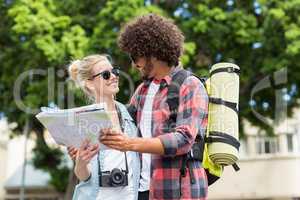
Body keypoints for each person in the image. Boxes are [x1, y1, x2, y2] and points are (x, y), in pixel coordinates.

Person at [100, 14, 209, 200]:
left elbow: (183, 140)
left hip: (179, 191)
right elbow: (123, 123)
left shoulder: (189, 85)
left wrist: (130, 144)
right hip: (143, 191)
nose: (134, 64)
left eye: (136, 56)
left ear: (154, 52)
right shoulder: (143, 89)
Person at [67, 54, 140, 200]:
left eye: (115, 71)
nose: (114, 76)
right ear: (89, 83)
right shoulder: (81, 121)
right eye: (106, 74)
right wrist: (81, 162)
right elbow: (84, 176)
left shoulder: (132, 115)